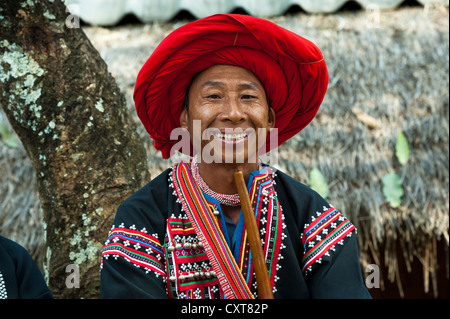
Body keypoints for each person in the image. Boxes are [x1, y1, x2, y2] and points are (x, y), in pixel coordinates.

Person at [100, 14, 371, 299]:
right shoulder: (143, 217)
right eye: (213, 97)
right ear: (184, 118)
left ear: (269, 119)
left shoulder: (313, 218)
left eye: (248, 97)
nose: (233, 113)